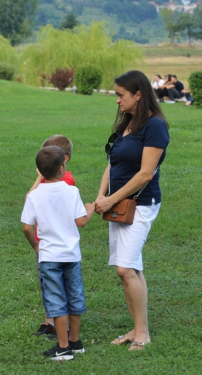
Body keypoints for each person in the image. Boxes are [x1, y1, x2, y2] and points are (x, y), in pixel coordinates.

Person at [94, 70, 169, 351]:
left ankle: (143, 334)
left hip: (140, 204)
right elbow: (113, 164)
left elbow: (146, 173)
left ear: (138, 95)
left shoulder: (155, 126)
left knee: (125, 269)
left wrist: (111, 200)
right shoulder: (126, 124)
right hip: (120, 205)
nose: (117, 101)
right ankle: (137, 327)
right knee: (130, 267)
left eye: (120, 95)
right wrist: (102, 195)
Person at [21, 146, 95, 361]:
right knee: (74, 295)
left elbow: (27, 227)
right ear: (62, 168)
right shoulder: (72, 191)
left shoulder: (34, 195)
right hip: (71, 255)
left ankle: (62, 348)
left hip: (49, 257)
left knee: (56, 300)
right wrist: (90, 208)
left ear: (39, 171)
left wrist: (35, 245)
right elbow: (81, 221)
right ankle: (75, 342)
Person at [26, 135, 76, 340]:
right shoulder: (47, 180)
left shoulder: (66, 180)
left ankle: (62, 324)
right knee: (46, 281)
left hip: (58, 244)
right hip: (43, 242)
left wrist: (39, 178)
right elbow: (31, 201)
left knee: (60, 284)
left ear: (63, 160)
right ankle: (50, 320)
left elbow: (31, 198)